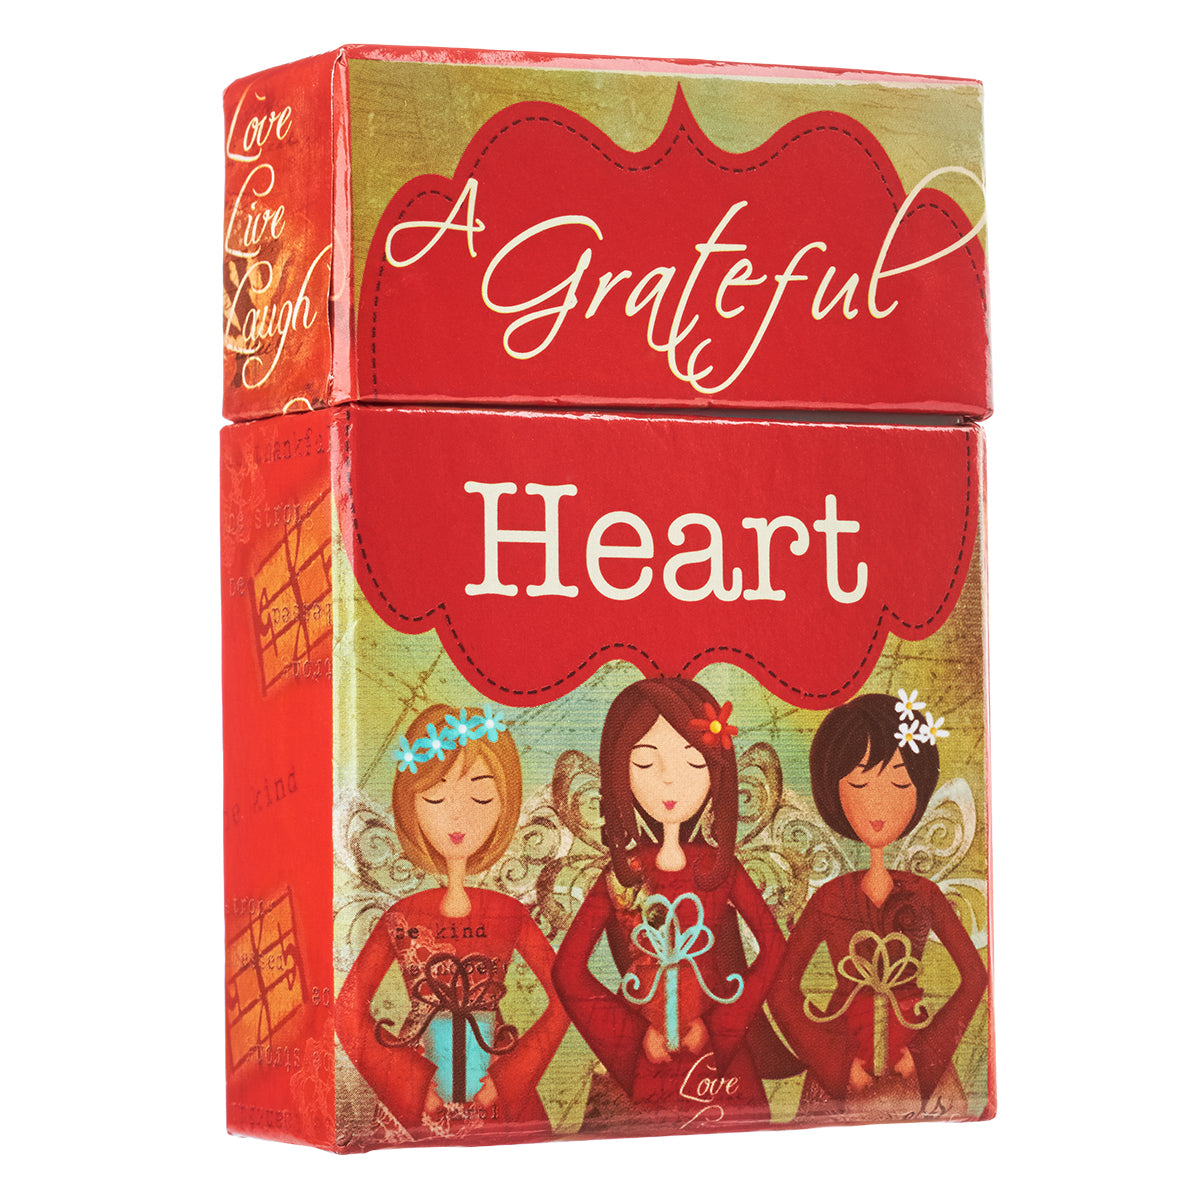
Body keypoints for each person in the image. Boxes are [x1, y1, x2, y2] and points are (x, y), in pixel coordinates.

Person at [552, 677, 786, 1131]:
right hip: (647, 1060)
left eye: (693, 761)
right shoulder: (624, 873)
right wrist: (634, 1036)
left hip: (716, 1061)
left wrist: (719, 1026)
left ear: (716, 770)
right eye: (644, 762)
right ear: (620, 772)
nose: (669, 778)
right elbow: (568, 971)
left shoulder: (720, 869)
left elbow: (774, 948)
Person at [335, 703, 567, 1142]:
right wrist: (410, 1086)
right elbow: (347, 1012)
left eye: (481, 797)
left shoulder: (508, 913)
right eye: (436, 799)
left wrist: (507, 1080)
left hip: (493, 1087)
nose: (458, 817)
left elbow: (566, 995)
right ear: (411, 806)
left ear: (505, 804)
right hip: (423, 1093)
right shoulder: (402, 915)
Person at [768, 691, 988, 1119]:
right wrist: (836, 1063)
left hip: (915, 1063)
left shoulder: (925, 894)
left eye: (900, 784)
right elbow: (781, 990)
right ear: (834, 793)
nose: (878, 803)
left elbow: (975, 976)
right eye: (859, 785)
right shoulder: (829, 898)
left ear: (919, 789)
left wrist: (925, 1053)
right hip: (845, 1061)